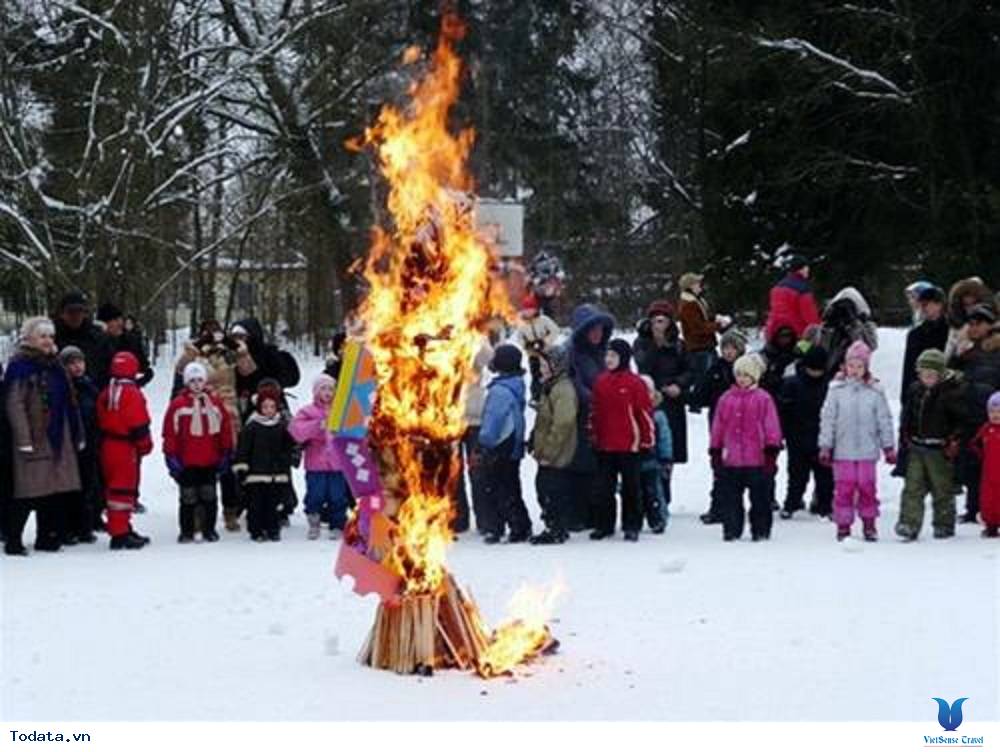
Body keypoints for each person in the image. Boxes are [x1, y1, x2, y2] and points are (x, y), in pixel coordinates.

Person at [3, 317, 83, 555]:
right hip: (34, 436)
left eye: (51, 336)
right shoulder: (20, 366)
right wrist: (23, 438)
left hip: (58, 434)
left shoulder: (55, 365)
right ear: (29, 339)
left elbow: (71, 401)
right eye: (42, 336)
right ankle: (13, 538)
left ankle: (47, 536)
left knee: (53, 489)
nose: (48, 341)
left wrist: (76, 431)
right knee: (28, 491)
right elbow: (14, 404)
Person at [174, 320, 254, 531]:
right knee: (202, 465)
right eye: (209, 334)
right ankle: (200, 514)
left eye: (216, 333)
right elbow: (181, 369)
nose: (214, 338)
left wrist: (238, 348)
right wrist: (197, 347)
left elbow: (248, 370)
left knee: (227, 463)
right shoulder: (197, 354)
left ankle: (231, 511)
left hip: (227, 412)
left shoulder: (229, 353)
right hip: (200, 411)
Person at [817, 342, 895, 541]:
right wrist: (826, 445)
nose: (855, 370)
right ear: (845, 366)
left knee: (867, 486)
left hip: (867, 451)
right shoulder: (836, 391)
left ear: (866, 367)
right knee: (844, 487)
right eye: (851, 366)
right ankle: (843, 524)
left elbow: (884, 420)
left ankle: (869, 523)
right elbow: (828, 419)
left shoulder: (875, 391)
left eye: (859, 366)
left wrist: (888, 447)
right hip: (843, 451)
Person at [709, 354, 783, 541]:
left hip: (757, 459)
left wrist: (771, 450)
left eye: (746, 375)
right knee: (731, 499)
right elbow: (718, 426)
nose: (741, 379)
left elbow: (771, 426)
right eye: (739, 374)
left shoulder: (763, 399)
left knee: (760, 499)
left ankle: (760, 529)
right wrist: (715, 450)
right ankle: (731, 529)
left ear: (754, 377)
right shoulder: (726, 399)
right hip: (732, 459)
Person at [895, 349, 967, 541]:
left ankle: (944, 524)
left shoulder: (951, 393)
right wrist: (905, 435)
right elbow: (907, 414)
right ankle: (909, 523)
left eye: (931, 375)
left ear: (941, 374)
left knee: (942, 488)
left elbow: (960, 420)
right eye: (923, 374)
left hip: (940, 450)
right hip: (917, 446)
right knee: (913, 487)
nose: (927, 378)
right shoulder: (915, 390)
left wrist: (954, 439)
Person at [590, 339, 654, 541]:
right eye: (607, 355)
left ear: (624, 358)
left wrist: (646, 441)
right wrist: (593, 434)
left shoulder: (635, 383)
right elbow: (595, 412)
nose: (608, 360)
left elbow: (644, 414)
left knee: (631, 487)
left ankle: (631, 524)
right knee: (604, 488)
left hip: (630, 445)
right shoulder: (600, 382)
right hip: (605, 444)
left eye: (613, 356)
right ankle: (604, 524)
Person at [163, 362, 234, 543]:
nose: (196, 384)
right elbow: (170, 432)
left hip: (210, 459)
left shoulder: (215, 404)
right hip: (186, 460)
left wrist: (226, 452)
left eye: (200, 380)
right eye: (192, 380)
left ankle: (209, 529)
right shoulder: (178, 405)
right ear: (187, 382)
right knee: (188, 497)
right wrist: (170, 457)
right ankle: (186, 530)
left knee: (209, 496)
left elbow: (225, 429)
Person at [947, 304, 1000, 523]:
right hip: (967, 414)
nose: (974, 327)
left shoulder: (996, 350)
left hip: (991, 415)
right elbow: (950, 374)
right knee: (969, 464)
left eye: (979, 322)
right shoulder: (965, 350)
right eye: (971, 323)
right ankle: (973, 508)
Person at [96, 352, 153, 550]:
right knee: (123, 490)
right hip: (124, 446)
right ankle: (119, 533)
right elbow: (139, 422)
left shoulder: (107, 391)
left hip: (107, 445)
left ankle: (121, 526)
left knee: (113, 487)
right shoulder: (132, 393)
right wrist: (145, 445)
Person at [476, 343, 531, 544]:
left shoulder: (499, 391)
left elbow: (493, 420)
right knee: (511, 485)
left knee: (496, 486)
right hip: (512, 444)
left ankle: (501, 526)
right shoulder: (516, 384)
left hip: (500, 445)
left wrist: (484, 443)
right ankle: (520, 525)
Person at [567, 303, 615, 530]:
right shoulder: (574, 355)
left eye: (599, 328)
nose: (597, 333)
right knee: (582, 465)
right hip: (582, 417)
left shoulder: (605, 353)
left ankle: (597, 514)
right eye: (591, 329)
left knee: (601, 467)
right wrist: (598, 399)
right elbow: (575, 385)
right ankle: (579, 514)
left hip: (605, 417)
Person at [693, 329, 747, 524]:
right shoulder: (715, 369)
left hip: (743, 425)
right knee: (720, 465)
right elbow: (701, 393)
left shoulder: (747, 370)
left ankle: (740, 505)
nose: (728, 352)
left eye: (732, 348)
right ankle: (718, 507)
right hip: (719, 423)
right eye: (725, 347)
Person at [288, 374, 351, 540]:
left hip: (337, 464)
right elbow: (296, 431)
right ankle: (313, 520)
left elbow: (353, 430)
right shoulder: (308, 411)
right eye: (323, 388)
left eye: (331, 389)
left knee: (338, 496)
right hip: (316, 463)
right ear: (316, 392)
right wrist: (317, 426)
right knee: (315, 494)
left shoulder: (342, 410)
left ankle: (337, 524)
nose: (328, 392)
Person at [777, 345, 834, 520]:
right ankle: (792, 503)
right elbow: (783, 411)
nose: (815, 373)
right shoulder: (792, 383)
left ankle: (825, 506)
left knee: (824, 476)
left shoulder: (830, 386)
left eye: (818, 370)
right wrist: (784, 434)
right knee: (796, 475)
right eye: (812, 369)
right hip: (797, 437)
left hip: (822, 438)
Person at [528, 344, 578, 545]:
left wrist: (549, 451)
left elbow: (563, 423)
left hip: (557, 454)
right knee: (544, 488)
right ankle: (553, 524)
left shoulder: (563, 390)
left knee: (551, 490)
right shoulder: (549, 386)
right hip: (547, 452)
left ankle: (556, 527)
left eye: (545, 364)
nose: (541, 368)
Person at [234, 383, 295, 542]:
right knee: (256, 504)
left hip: (276, 474)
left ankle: (273, 528)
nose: (268, 410)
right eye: (265, 406)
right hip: (256, 474)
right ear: (259, 407)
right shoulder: (252, 427)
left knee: (273, 503)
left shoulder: (281, 426)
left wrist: (287, 460)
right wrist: (242, 468)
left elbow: (288, 446)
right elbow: (243, 449)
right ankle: (256, 530)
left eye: (272, 406)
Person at [634, 300, 691, 467]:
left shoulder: (679, 344)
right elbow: (642, 366)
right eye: (655, 320)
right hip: (650, 399)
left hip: (673, 401)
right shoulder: (641, 342)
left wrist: (679, 385)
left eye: (662, 320)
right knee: (649, 449)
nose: (659, 324)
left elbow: (690, 370)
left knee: (669, 452)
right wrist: (655, 344)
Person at [59, 346, 100, 543]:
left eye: (79, 362)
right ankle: (68, 528)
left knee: (88, 485)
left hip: (90, 441)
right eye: (72, 363)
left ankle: (85, 526)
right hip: (71, 443)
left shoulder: (88, 385)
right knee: (71, 488)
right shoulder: (64, 387)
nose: (77, 367)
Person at [677, 273, 731, 411]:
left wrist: (715, 320)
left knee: (708, 375)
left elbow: (704, 320)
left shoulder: (696, 301)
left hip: (705, 345)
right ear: (690, 286)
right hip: (699, 347)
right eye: (697, 283)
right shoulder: (689, 304)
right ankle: (698, 403)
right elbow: (698, 327)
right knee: (704, 377)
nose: (700, 285)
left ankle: (703, 400)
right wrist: (718, 325)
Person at [457, 338, 494, 534]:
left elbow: (489, 358)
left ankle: (485, 520)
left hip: (475, 418)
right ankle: (457, 519)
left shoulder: (473, 337)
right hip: (448, 420)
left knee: (479, 472)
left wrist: (471, 337)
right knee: (452, 473)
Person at [811, 287, 878, 378]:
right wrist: (828, 328)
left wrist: (853, 326)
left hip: (853, 371)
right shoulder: (822, 326)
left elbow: (869, 346)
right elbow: (814, 347)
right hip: (827, 370)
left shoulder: (864, 325)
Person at [53, 290, 114, 388]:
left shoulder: (98, 338)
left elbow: (108, 369)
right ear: (62, 314)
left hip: (93, 394)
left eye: (79, 311)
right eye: (71, 311)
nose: (75, 316)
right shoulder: (51, 338)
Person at [901, 285, 949, 406]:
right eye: (921, 304)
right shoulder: (915, 334)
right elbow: (909, 368)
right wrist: (906, 398)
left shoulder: (951, 331)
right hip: (919, 392)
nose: (923, 308)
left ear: (939, 305)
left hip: (945, 392)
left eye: (927, 304)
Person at [638, 375, 672, 534]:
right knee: (635, 491)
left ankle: (658, 519)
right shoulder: (633, 412)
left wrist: (666, 458)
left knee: (654, 491)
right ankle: (636, 518)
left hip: (653, 459)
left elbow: (665, 438)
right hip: (634, 458)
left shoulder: (658, 415)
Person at [515, 293, 560, 405]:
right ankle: (536, 396)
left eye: (531, 309)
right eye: (526, 310)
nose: (529, 312)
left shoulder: (543, 320)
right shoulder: (522, 324)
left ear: (536, 309)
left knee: (550, 372)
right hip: (533, 354)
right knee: (536, 374)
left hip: (546, 352)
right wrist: (526, 345)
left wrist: (545, 341)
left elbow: (555, 330)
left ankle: (552, 393)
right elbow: (519, 337)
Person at [764, 254, 822, 342]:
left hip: (775, 335)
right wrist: (819, 328)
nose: (808, 270)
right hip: (798, 338)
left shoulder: (777, 288)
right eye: (806, 267)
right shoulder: (802, 289)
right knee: (815, 352)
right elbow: (811, 318)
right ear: (802, 269)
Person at [97, 303, 154, 387]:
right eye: (115, 320)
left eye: (120, 319)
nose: (119, 323)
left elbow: (144, 368)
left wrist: (137, 383)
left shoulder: (130, 341)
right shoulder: (97, 343)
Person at [945, 277, 993, 361]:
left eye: (974, 304)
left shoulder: (993, 323)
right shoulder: (956, 328)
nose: (971, 309)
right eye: (967, 305)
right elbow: (947, 356)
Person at [972, 392, 1000, 538]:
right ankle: (991, 525)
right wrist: (979, 456)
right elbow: (974, 444)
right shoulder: (986, 429)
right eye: (992, 412)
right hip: (989, 473)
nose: (995, 415)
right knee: (989, 500)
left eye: (999, 412)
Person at [759, 325, 800, 397]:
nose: (785, 339)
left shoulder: (796, 351)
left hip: (791, 388)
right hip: (770, 386)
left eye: (788, 336)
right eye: (782, 336)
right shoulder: (769, 350)